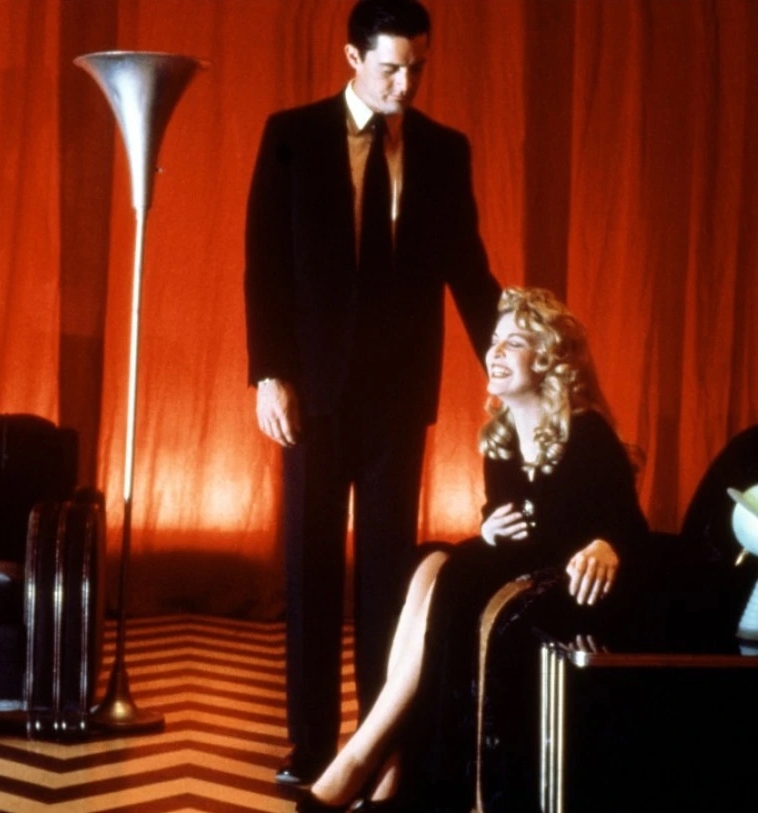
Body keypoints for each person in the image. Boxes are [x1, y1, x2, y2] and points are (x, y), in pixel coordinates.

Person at [245, 0, 502, 787]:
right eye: (391, 67)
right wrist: (269, 374)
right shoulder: (291, 134)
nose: (405, 84)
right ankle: (310, 746)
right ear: (353, 58)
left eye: (417, 68)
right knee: (312, 571)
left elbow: (470, 271)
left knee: (390, 577)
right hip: (314, 393)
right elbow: (264, 265)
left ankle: (376, 743)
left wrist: (514, 361)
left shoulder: (444, 150)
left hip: (398, 396)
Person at [297, 286, 650, 812]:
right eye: (495, 341)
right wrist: (488, 531)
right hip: (523, 569)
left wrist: (605, 543)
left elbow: (627, 525)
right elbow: (501, 516)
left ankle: (362, 760)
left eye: (515, 343)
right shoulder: (500, 439)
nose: (496, 352)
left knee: (457, 574)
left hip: (568, 585)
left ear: (550, 361)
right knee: (428, 561)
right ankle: (391, 765)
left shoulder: (588, 433)